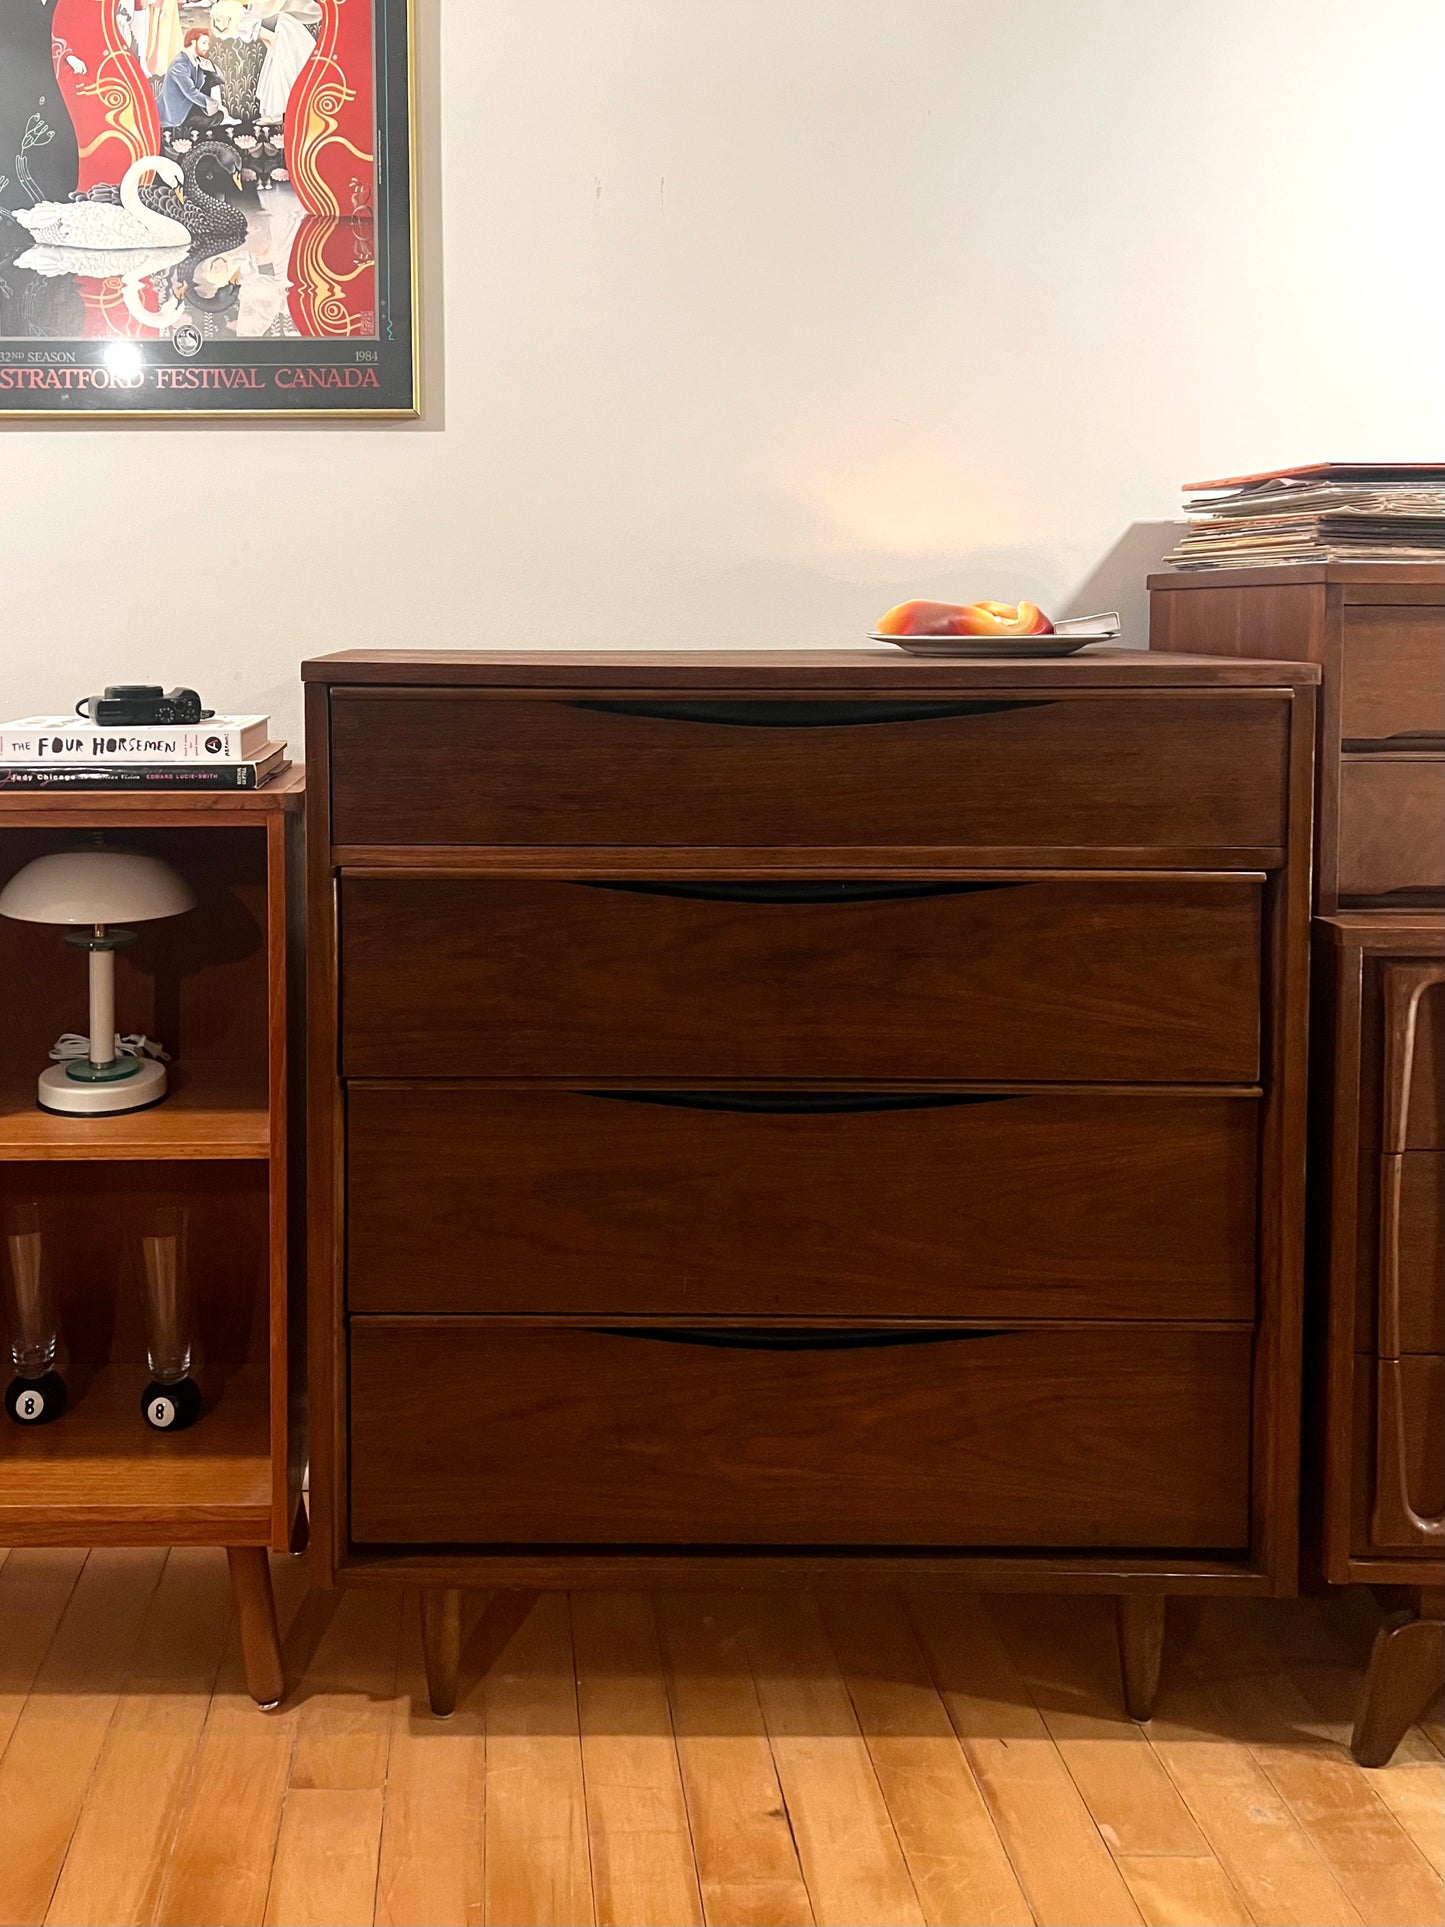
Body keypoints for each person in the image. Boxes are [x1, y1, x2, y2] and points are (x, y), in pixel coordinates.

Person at [208, 0, 319, 122]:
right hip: (278, 38)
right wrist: (273, 55)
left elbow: (272, 39)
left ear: (228, 16)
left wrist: (278, 55)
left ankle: (278, 115)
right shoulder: (244, 20)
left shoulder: (247, 21)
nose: (217, 22)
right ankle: (280, 114)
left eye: (218, 19)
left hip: (285, 34)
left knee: (284, 75)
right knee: (277, 75)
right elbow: (267, 40)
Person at [156, 29, 223, 133]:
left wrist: (212, 69)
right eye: (204, 43)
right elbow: (190, 91)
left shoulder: (196, 61)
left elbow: (220, 80)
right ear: (193, 42)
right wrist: (214, 104)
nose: (207, 47)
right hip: (176, 114)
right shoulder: (180, 64)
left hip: (189, 105)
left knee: (218, 114)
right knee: (218, 117)